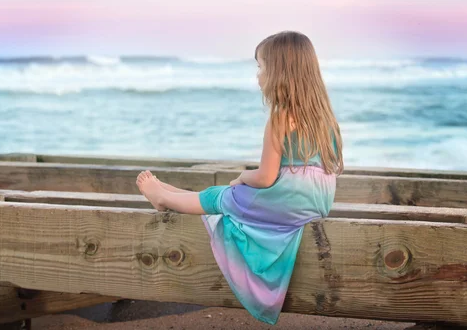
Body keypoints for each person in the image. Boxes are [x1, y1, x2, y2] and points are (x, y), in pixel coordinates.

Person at [136, 31, 343, 325]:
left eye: (260, 67)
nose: (257, 75)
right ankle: (176, 193)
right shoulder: (325, 117)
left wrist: (245, 176)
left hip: (286, 198)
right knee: (227, 194)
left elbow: (267, 177)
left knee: (225, 196)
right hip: (316, 202)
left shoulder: (281, 116)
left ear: (278, 72)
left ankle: (164, 197)